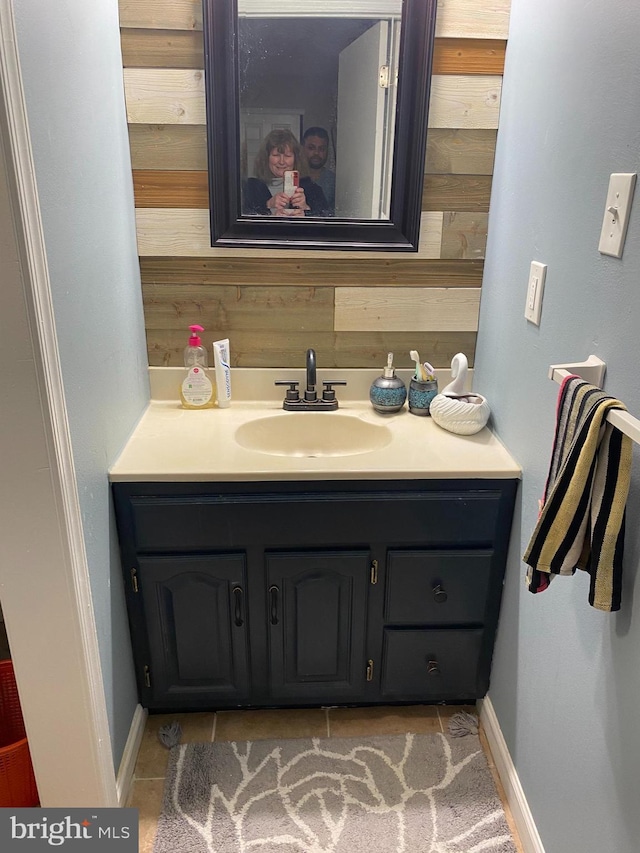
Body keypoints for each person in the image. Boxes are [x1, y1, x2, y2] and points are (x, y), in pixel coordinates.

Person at [242, 129, 328, 217]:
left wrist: (306, 210)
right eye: (276, 155)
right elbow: (242, 225)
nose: (282, 162)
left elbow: (326, 224)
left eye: (287, 156)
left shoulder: (312, 189)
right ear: (266, 158)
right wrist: (269, 207)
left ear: (296, 159)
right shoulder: (252, 188)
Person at [302, 127, 336, 214]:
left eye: (321, 149)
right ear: (302, 148)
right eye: (311, 148)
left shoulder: (333, 182)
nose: (316, 153)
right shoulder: (293, 177)